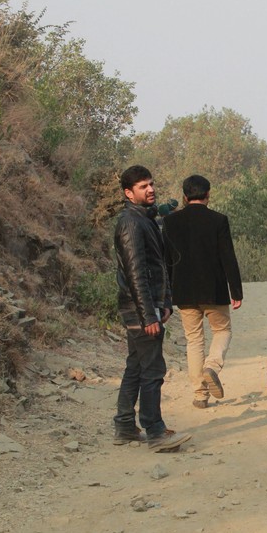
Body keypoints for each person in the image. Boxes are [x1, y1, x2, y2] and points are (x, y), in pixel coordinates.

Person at [113, 165, 192, 453]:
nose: (150, 189)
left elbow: (159, 265)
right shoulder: (131, 223)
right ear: (128, 193)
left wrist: (166, 301)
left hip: (146, 306)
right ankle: (155, 431)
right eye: (143, 186)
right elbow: (136, 272)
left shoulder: (145, 219)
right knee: (152, 369)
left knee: (135, 365)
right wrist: (149, 314)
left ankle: (124, 426)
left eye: (151, 184)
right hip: (139, 308)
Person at [163, 175, 243, 409]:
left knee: (194, 340)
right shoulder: (218, 220)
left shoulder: (170, 222)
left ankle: (200, 394)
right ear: (208, 195)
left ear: (185, 196)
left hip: (184, 290)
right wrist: (236, 290)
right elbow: (228, 257)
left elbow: (166, 261)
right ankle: (213, 365)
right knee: (222, 330)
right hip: (214, 289)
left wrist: (168, 292)